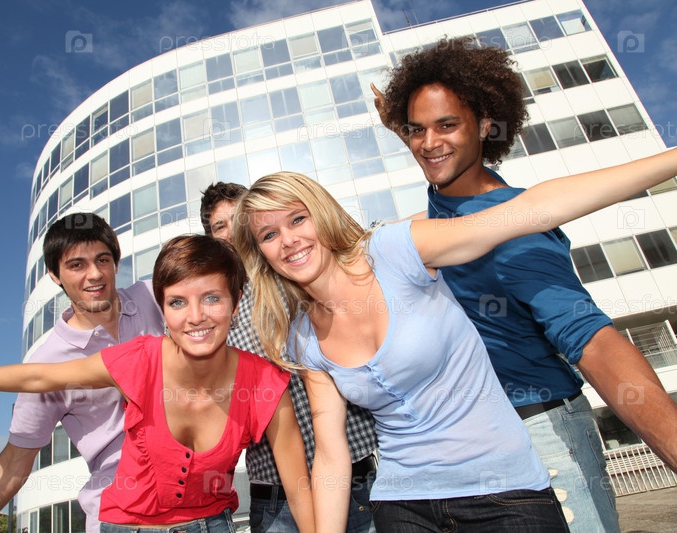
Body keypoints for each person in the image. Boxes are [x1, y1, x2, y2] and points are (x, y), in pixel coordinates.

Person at [230, 152, 677, 532]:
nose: (288, 240)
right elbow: (331, 454)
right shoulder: (304, 338)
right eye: (269, 235)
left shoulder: (394, 251)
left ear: (320, 213)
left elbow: (529, 210)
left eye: (297, 219)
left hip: (505, 490)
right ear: (260, 253)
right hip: (402, 505)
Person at [372, 36, 677, 532]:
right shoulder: (444, 206)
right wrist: (402, 122)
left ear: (485, 125)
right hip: (474, 446)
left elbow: (592, 342)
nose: (427, 143)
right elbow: (439, 146)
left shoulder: (512, 228)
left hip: (543, 436)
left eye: (447, 125)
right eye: (415, 130)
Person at [0, 235, 314, 533]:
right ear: (163, 310)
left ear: (236, 303)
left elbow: (299, 490)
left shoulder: (265, 385)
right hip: (123, 526)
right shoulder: (139, 359)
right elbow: (38, 376)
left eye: (213, 298)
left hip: (212, 526)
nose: (196, 316)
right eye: (178, 302)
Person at [0, 212, 164, 533]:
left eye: (102, 260)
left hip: (201, 503)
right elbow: (15, 462)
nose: (94, 274)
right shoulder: (47, 362)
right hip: (122, 515)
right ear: (55, 275)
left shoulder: (155, 297)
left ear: (116, 262)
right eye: (77, 265)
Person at [200, 182, 379, 533]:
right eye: (220, 226)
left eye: (239, 219)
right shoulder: (215, 311)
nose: (232, 231)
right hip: (276, 498)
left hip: (357, 479)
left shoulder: (297, 274)